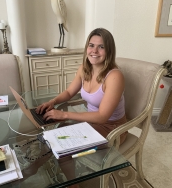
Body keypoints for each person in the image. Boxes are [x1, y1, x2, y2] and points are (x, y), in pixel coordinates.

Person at [36, 28, 127, 188]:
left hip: (113, 128)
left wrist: (64, 115)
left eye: (101, 47)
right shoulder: (84, 69)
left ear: (109, 51)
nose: (94, 51)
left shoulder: (114, 76)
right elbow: (70, 92)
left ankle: (73, 184)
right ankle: (71, 181)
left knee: (64, 144)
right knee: (55, 134)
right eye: (91, 45)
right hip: (91, 123)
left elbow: (102, 117)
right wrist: (53, 101)